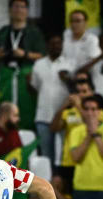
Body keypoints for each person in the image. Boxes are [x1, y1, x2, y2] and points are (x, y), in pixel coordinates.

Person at [0, 0, 45, 122]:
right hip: (6, 74)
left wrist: (25, 54)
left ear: (27, 11)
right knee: (5, 106)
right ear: (10, 10)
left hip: (26, 73)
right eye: (15, 6)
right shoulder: (3, 31)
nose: (19, 10)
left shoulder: (34, 32)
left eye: (22, 7)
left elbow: (42, 55)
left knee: (26, 107)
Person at [68, 94, 103, 199]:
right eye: (86, 109)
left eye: (93, 109)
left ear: (100, 111)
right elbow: (76, 158)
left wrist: (96, 134)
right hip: (81, 187)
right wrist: (88, 136)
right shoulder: (75, 131)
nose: (90, 112)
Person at [29, 34, 72, 167]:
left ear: (62, 45)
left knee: (64, 154)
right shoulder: (38, 64)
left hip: (64, 117)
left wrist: (68, 80)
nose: (56, 46)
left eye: (58, 43)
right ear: (47, 45)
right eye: (53, 43)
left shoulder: (69, 64)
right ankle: (48, 186)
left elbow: (76, 89)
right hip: (43, 116)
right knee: (47, 156)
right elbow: (34, 89)